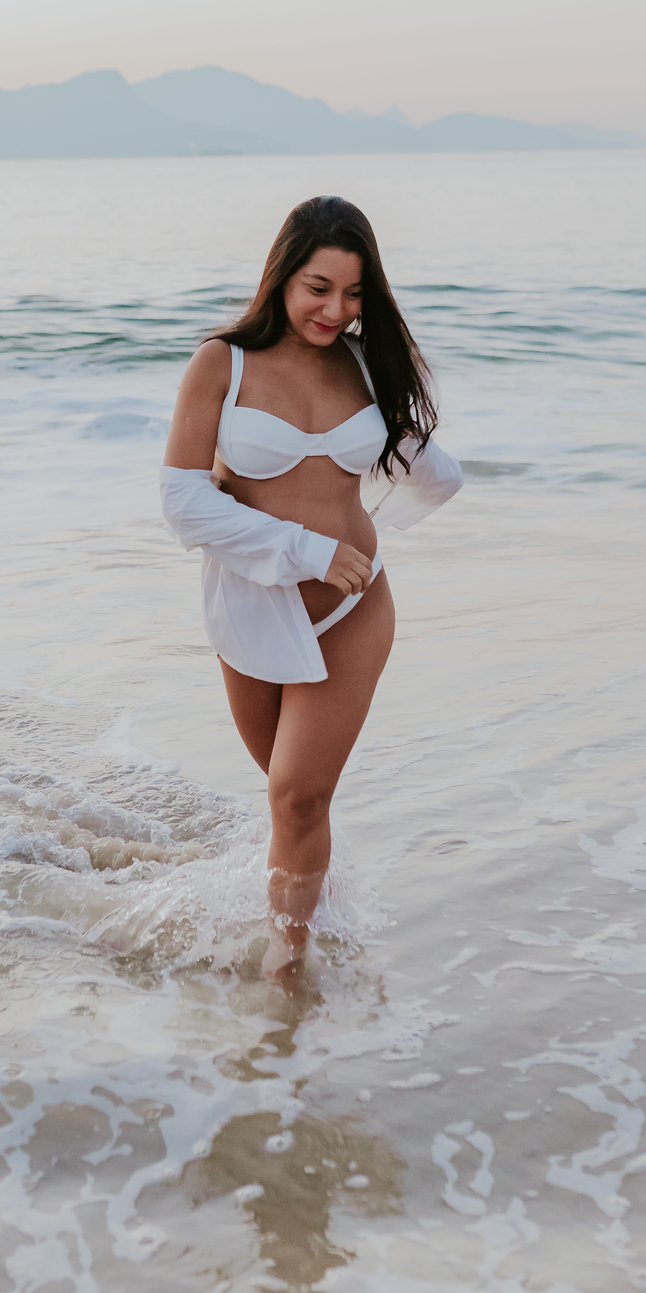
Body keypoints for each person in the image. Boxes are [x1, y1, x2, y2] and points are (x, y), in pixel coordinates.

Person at [160, 196, 463, 970]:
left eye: (355, 293)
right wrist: (306, 548)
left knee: (298, 795)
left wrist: (361, 526)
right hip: (251, 608)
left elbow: (434, 476)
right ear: (282, 277)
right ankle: (324, 917)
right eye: (318, 288)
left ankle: (287, 968)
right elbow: (184, 503)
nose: (336, 309)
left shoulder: (365, 364)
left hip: (354, 609)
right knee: (290, 798)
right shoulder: (220, 364)